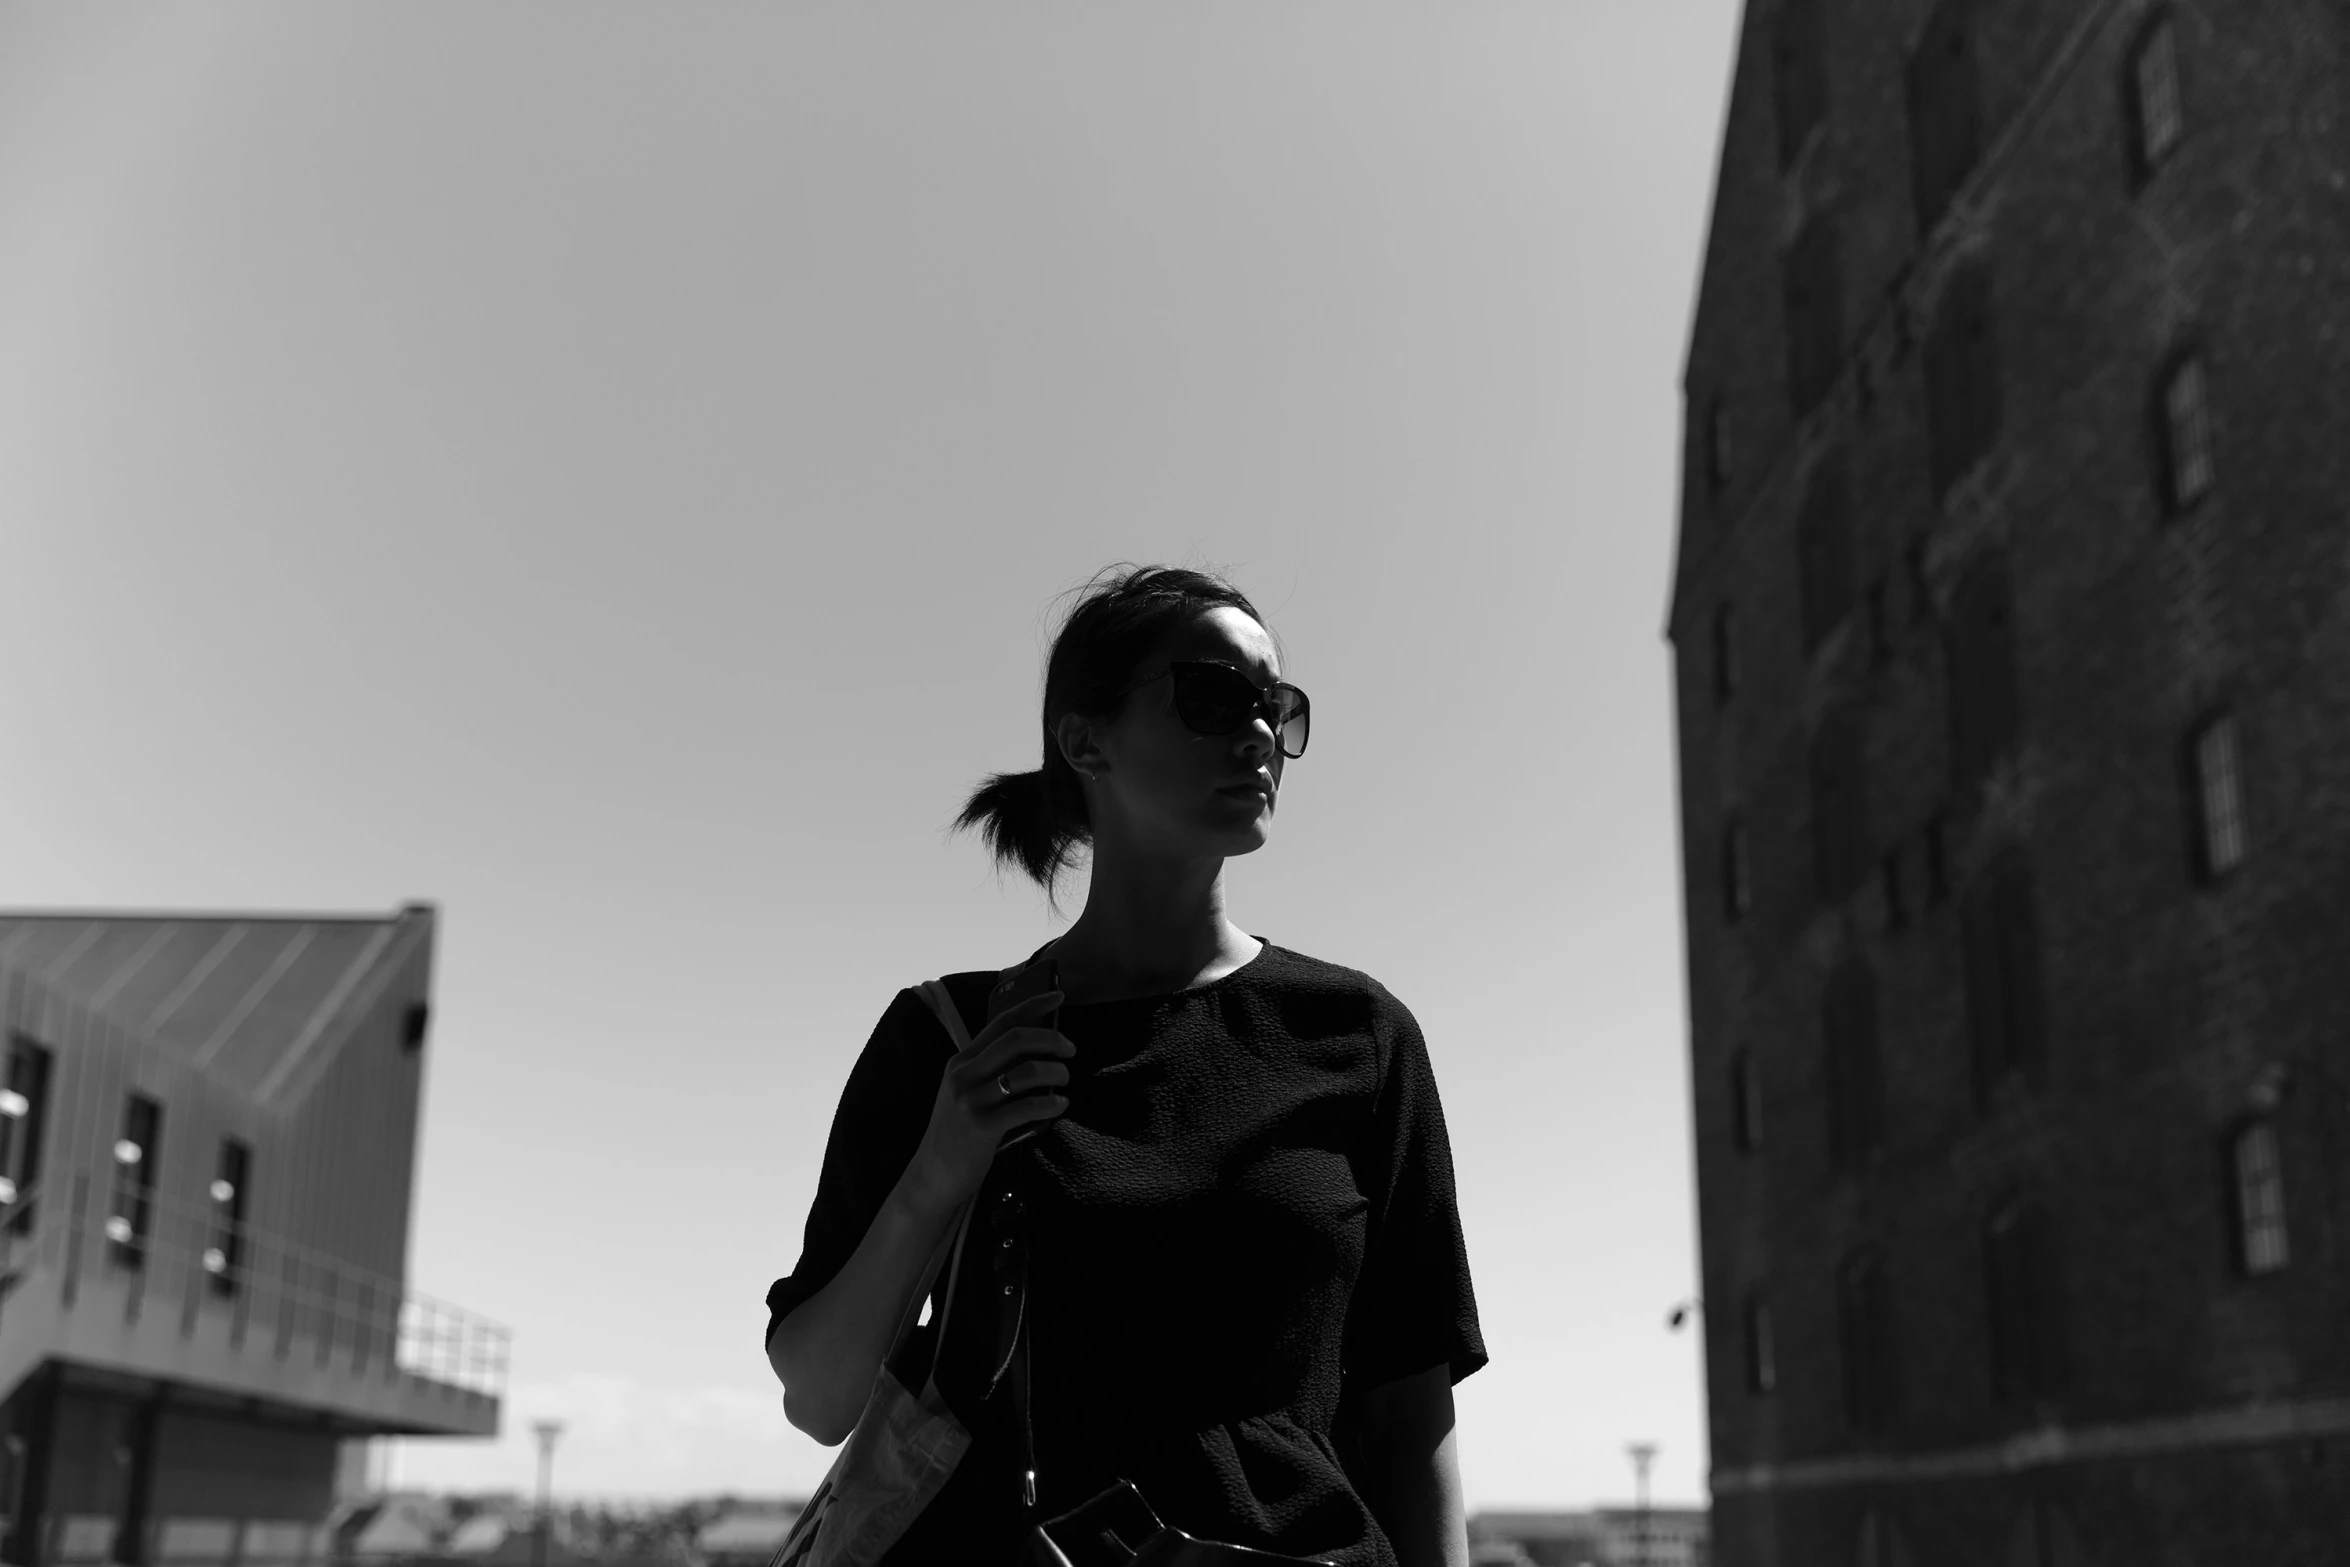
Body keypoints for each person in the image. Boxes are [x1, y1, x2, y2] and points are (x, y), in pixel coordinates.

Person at [764, 564, 1485, 1567]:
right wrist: (941, 1166)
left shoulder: (1360, 1034)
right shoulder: (947, 1035)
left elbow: (1410, 1411)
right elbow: (818, 1393)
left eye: (1278, 707)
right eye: (1214, 696)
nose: (1259, 733)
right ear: (1083, 738)